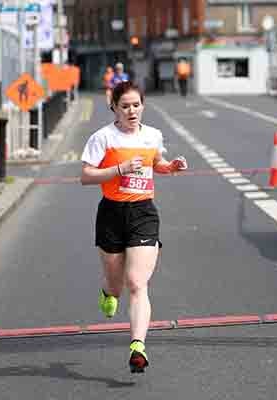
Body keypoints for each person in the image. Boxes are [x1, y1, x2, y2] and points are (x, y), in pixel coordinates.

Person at [80, 81, 187, 374]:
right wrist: (118, 170)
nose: (131, 111)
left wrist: (171, 167)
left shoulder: (152, 135)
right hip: (112, 213)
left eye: (136, 105)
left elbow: (158, 163)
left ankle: (137, 346)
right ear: (113, 107)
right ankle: (107, 292)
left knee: (137, 283)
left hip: (143, 212)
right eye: (125, 106)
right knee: (116, 286)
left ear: (143, 106)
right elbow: (86, 176)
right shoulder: (103, 137)